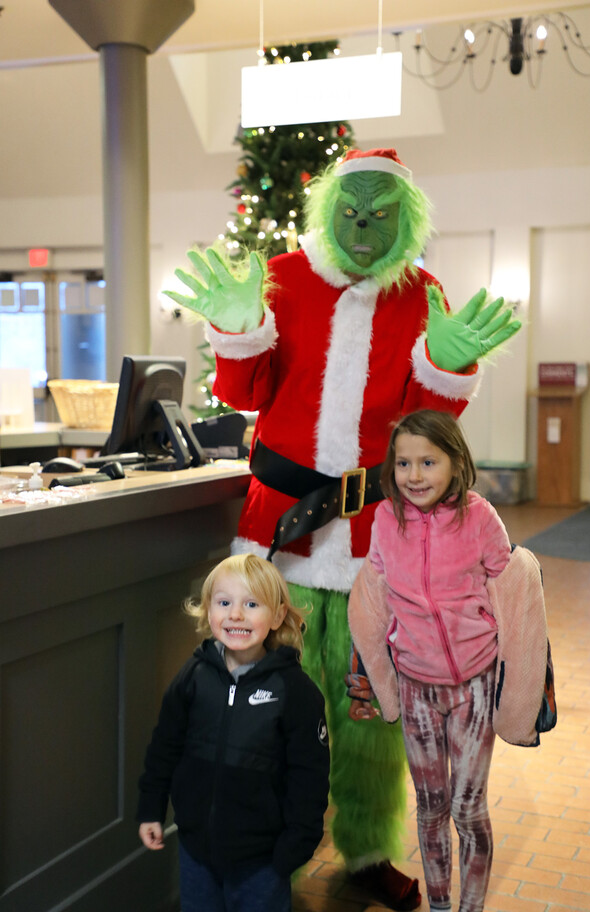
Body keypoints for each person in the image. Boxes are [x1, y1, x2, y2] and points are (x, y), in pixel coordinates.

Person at [165, 147, 520, 910]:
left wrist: (444, 374)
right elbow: (244, 390)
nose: (363, 229)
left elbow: (428, 425)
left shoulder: (422, 292)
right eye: (351, 213)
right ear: (328, 209)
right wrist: (238, 329)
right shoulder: (284, 277)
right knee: (268, 712)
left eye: (380, 216)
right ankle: (269, 859)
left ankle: (363, 850)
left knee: (370, 715)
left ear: (406, 222)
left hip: (371, 542)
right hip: (280, 538)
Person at [348, 409, 512, 912]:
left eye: (428, 462)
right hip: (416, 685)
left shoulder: (480, 516)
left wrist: (524, 678)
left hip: (474, 684)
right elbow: (372, 600)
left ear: (456, 463)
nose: (414, 476)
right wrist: (370, 676)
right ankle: (440, 904)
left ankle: (472, 907)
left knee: (466, 807)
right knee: (433, 805)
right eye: (403, 464)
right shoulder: (383, 519)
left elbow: (510, 588)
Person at [136, 553, 330, 912]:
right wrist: (151, 807)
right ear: (208, 611)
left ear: (277, 615)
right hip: (197, 853)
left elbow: (310, 776)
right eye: (223, 602)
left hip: (263, 861)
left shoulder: (295, 691)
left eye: (251, 604)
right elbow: (165, 746)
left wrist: (297, 845)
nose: (235, 615)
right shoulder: (193, 676)